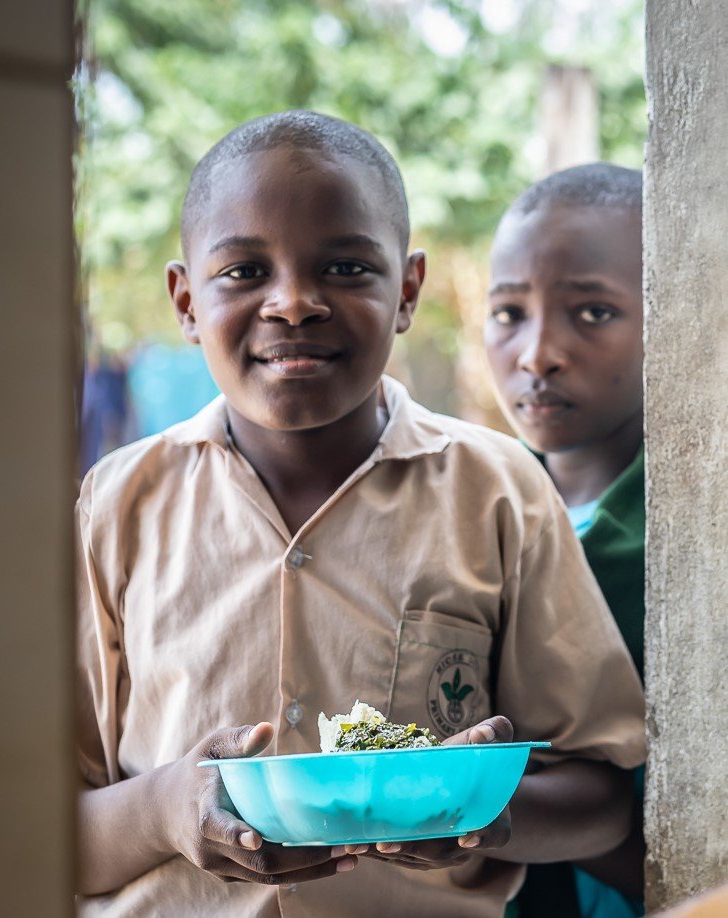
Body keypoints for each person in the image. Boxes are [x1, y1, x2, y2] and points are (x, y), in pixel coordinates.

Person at [76, 112, 645, 917]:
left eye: (344, 266)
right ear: (185, 300)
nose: (296, 303)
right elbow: (36, 824)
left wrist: (480, 812)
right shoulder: (116, 505)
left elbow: (603, 791)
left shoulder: (498, 493)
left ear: (406, 291)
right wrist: (166, 809)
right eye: (243, 272)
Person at [484, 163, 645, 918]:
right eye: (508, 312)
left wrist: (483, 806)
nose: (537, 353)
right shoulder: (475, 517)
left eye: (592, 313)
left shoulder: (670, 549)